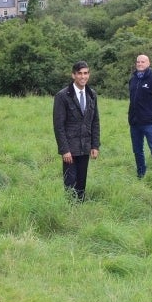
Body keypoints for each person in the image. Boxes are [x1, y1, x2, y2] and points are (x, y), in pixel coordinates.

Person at [53, 61, 100, 201]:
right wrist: (64, 149)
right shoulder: (62, 96)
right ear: (73, 75)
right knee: (70, 183)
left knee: (81, 183)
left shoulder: (92, 94)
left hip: (85, 146)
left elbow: (95, 121)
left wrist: (95, 145)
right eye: (79, 73)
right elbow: (58, 125)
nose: (83, 77)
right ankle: (69, 211)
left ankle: (80, 210)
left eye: (85, 73)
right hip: (70, 148)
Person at [128, 54, 152, 179]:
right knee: (137, 150)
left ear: (148, 63)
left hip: (149, 122)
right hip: (134, 122)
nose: (139, 64)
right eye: (138, 62)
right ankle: (140, 174)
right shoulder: (133, 79)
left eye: (142, 62)